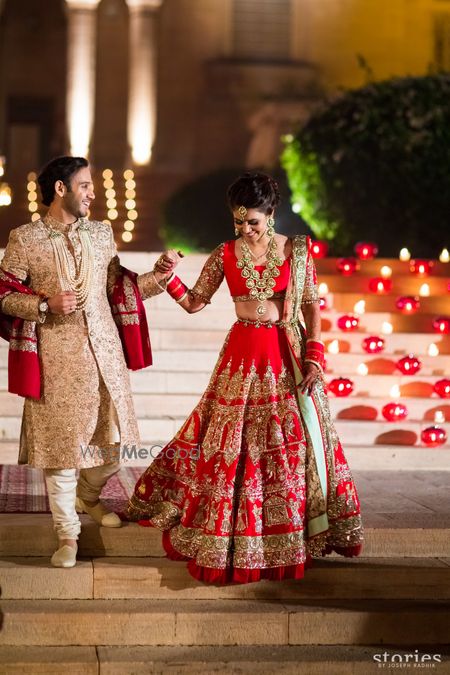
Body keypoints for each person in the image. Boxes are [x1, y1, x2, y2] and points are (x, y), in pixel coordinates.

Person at [124, 172, 363, 584]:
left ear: (271, 214)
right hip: (240, 357)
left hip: (284, 354)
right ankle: (229, 533)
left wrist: (314, 360)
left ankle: (285, 538)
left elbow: (310, 308)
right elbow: (196, 303)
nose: (245, 230)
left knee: (285, 447)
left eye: (252, 222)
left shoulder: (298, 250)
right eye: (238, 224)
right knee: (227, 443)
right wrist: (167, 277)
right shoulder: (224, 254)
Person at [0, 156, 176, 568]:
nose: (92, 192)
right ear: (60, 189)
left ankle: (89, 496)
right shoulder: (26, 239)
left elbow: (119, 287)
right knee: (62, 454)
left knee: (115, 448)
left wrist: (159, 276)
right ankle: (67, 537)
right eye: (84, 185)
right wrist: (44, 304)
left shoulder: (100, 234)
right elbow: (3, 295)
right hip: (56, 358)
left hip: (105, 355)